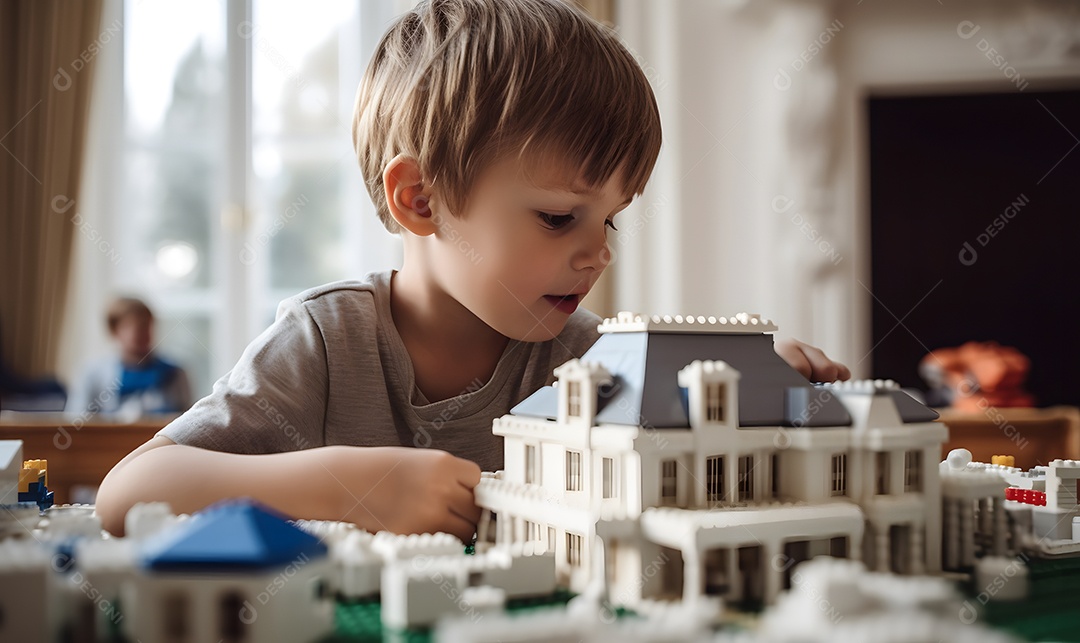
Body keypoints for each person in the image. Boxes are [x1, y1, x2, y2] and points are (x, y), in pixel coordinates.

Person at [96, 0, 849, 538]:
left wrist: (754, 387)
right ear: (420, 198)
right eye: (559, 216)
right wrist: (357, 486)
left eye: (610, 217)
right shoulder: (325, 340)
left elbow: (682, 453)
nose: (600, 252)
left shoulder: (583, 360)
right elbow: (128, 492)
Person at [66, 297, 192, 418]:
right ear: (114, 330)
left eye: (145, 325)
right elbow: (75, 422)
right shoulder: (92, 374)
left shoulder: (174, 373)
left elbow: (188, 423)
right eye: (129, 326)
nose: (138, 332)